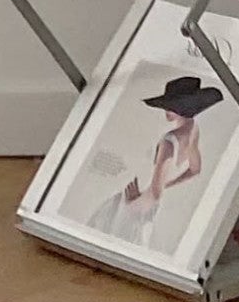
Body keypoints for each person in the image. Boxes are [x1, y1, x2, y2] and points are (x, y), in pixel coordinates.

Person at [84, 74, 223, 250]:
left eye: (171, 106)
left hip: (137, 207)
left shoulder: (168, 141)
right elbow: (194, 170)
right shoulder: (193, 130)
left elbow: (156, 193)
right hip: (146, 204)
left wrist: (131, 203)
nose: (166, 111)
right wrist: (166, 184)